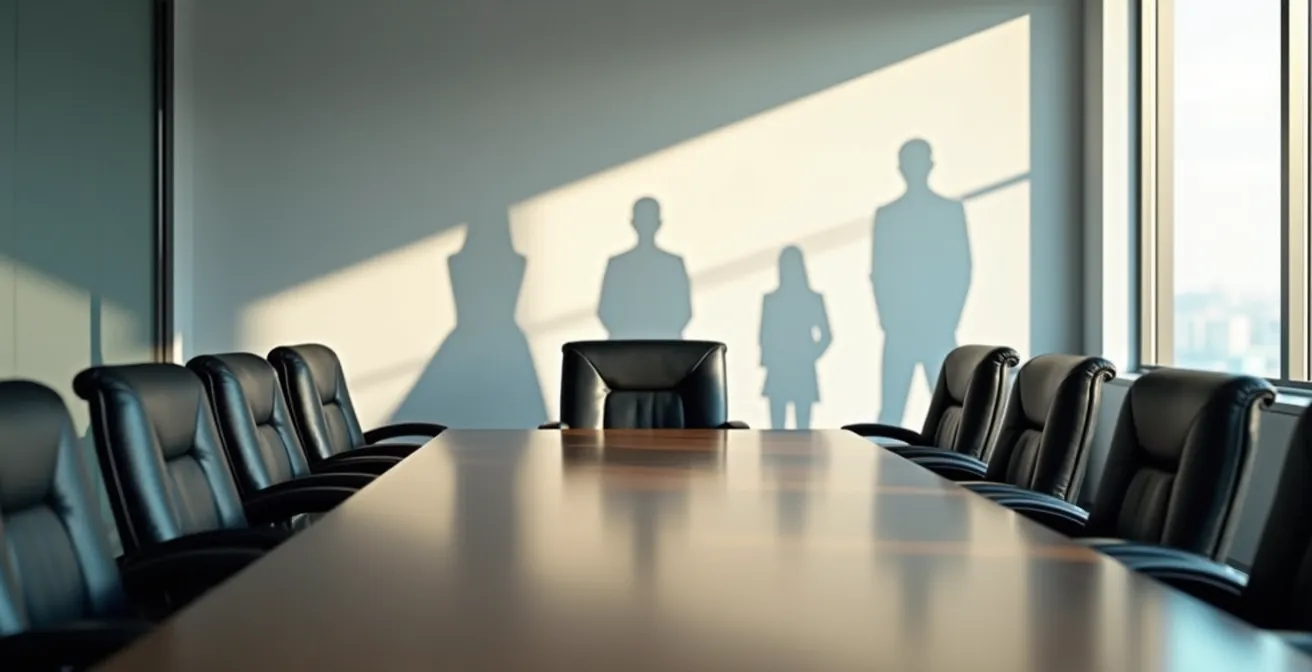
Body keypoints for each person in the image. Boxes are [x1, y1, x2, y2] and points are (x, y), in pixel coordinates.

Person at [871, 139, 972, 425]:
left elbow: (962, 269)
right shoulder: (887, 216)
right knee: (892, 414)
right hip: (903, 329)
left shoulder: (949, 212)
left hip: (935, 329)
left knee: (950, 418)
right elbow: (879, 273)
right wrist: (888, 319)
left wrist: (949, 320)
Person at [598, 197, 693, 340]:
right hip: (627, 347)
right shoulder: (617, 265)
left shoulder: (673, 264)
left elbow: (683, 311)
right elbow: (606, 311)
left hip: (661, 346)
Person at [760, 246, 832, 429]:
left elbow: (826, 335)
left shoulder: (809, 299)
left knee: (801, 430)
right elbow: (764, 336)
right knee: (779, 431)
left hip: (797, 368)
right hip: (783, 368)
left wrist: (809, 355)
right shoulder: (773, 300)